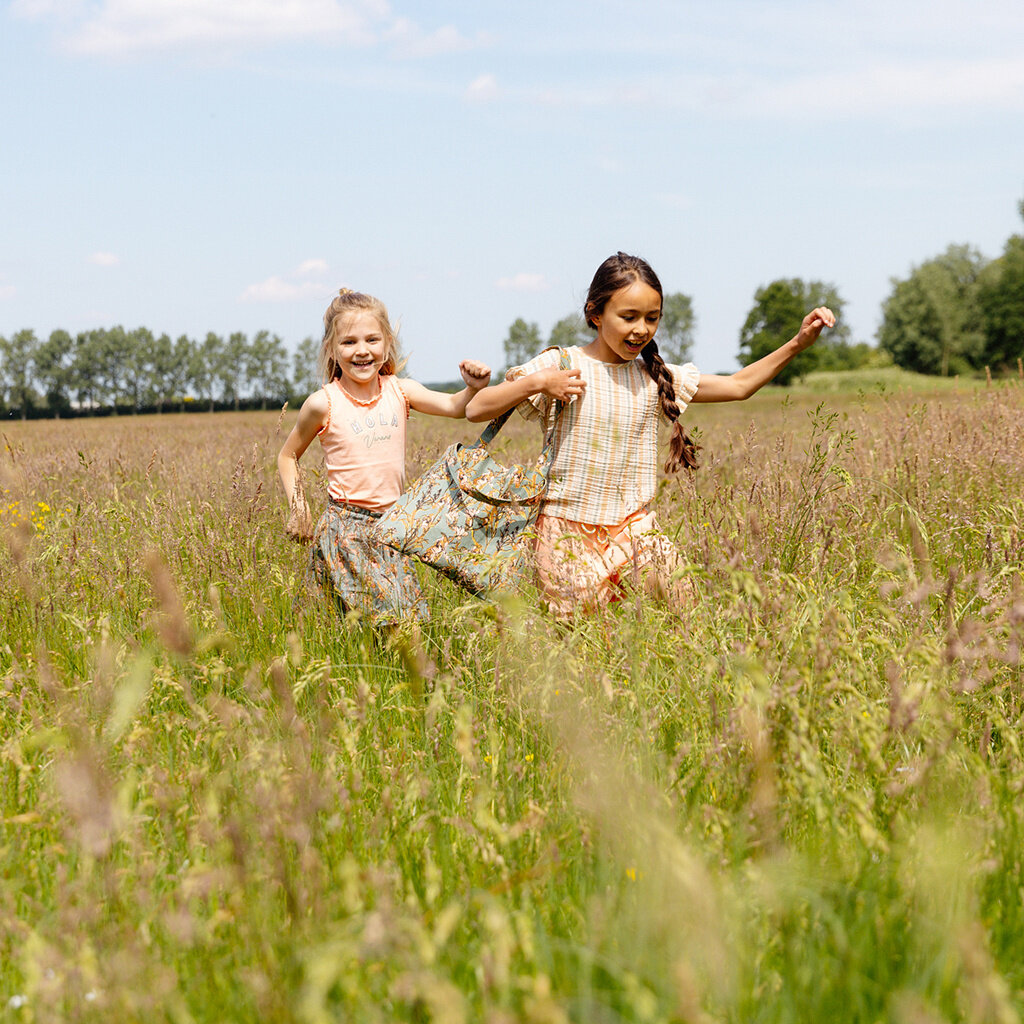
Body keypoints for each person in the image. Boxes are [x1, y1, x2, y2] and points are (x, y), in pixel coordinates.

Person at [465, 251, 836, 618]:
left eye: (652, 318)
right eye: (628, 317)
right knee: (584, 650)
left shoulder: (652, 377)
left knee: (688, 613)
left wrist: (797, 344)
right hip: (565, 535)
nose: (641, 328)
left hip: (634, 528)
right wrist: (540, 381)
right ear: (595, 314)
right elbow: (476, 409)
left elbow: (739, 386)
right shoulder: (562, 365)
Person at [278, 288, 491, 624]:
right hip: (344, 529)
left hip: (392, 528)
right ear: (331, 349)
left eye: (372, 340)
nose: (362, 351)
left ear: (387, 343)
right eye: (349, 342)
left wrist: (472, 388)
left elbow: (454, 407)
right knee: (341, 628)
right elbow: (288, 457)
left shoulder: (400, 390)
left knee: (407, 626)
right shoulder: (323, 403)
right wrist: (298, 505)